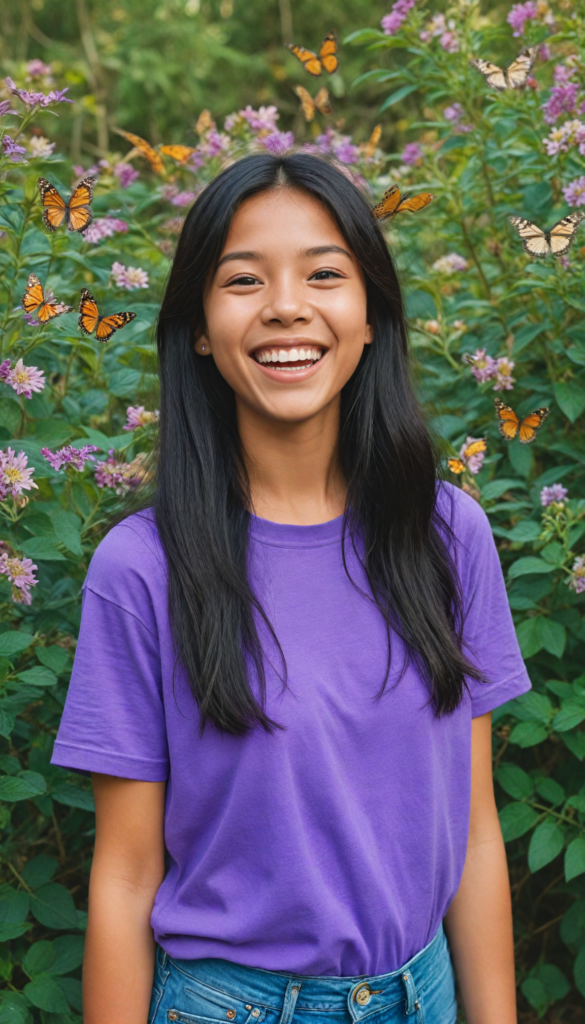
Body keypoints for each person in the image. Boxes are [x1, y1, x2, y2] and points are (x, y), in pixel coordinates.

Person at [51, 153, 531, 1024]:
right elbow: (124, 879)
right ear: (199, 324)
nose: (284, 305)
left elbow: (474, 829)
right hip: (234, 1006)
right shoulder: (144, 568)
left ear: (371, 313)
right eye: (243, 279)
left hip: (421, 994)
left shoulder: (446, 533)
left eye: (323, 273)